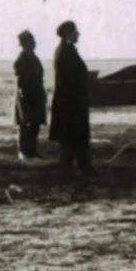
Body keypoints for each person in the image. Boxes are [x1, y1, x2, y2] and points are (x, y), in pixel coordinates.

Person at [49, 20, 96, 176]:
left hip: (72, 102)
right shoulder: (65, 52)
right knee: (71, 137)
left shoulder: (66, 50)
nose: (78, 34)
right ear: (69, 34)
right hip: (70, 104)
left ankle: (79, 166)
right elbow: (68, 80)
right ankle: (72, 169)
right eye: (75, 32)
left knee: (74, 137)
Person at [14, 30, 47, 160]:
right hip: (27, 95)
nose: (34, 43)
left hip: (35, 93)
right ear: (24, 43)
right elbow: (21, 80)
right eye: (31, 41)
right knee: (26, 124)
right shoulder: (22, 59)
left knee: (34, 124)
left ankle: (32, 150)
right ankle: (25, 151)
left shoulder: (32, 56)